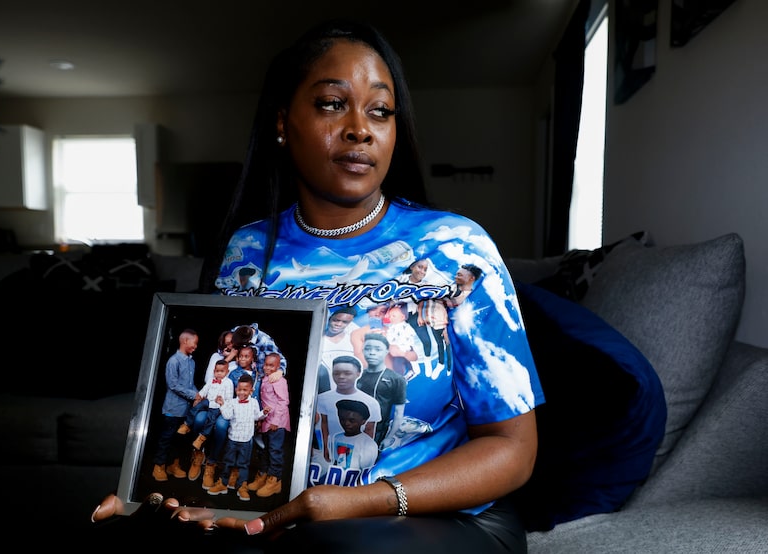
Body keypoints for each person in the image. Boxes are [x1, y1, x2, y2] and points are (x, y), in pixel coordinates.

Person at [90, 19, 543, 553]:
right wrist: (155, 486)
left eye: (380, 110)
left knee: (332, 548)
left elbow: (513, 449)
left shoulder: (453, 247)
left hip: (431, 514)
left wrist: (359, 500)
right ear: (284, 123)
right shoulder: (246, 252)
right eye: (332, 104)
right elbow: (237, 386)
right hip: (277, 512)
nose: (360, 129)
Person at [206, 374, 268, 501]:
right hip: (233, 439)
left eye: (245, 390)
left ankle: (242, 486)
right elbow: (227, 416)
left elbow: (256, 417)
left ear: (251, 391)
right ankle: (223, 484)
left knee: (243, 465)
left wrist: (264, 413)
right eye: (239, 389)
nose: (241, 392)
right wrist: (222, 404)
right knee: (227, 462)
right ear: (236, 390)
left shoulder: (254, 402)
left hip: (246, 440)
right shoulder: (233, 402)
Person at [151, 328, 199, 482]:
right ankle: (159, 466)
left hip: (185, 410)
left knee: (180, 439)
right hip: (173, 408)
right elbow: (173, 385)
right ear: (185, 341)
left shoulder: (191, 362)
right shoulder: (174, 361)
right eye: (195, 343)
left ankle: (174, 464)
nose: (196, 346)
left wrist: (201, 395)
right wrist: (193, 395)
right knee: (167, 438)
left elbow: (191, 385)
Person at [248, 352, 290, 498]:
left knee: (275, 451)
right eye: (266, 364)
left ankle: (275, 481)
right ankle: (263, 475)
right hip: (267, 420)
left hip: (276, 423)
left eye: (271, 365)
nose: (267, 367)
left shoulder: (279, 381)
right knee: (265, 450)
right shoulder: (264, 378)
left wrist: (275, 421)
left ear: (278, 367)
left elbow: (283, 402)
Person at [356, 333, 406, 448]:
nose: (372, 353)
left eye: (378, 349)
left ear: (386, 351)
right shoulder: (357, 375)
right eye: (368, 349)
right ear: (363, 350)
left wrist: (389, 437)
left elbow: (399, 413)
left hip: (378, 432)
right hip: (353, 431)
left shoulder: (396, 379)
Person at [177, 359, 235, 453]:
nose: (219, 373)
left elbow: (229, 398)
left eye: (222, 371)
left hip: (217, 405)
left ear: (227, 372)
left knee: (211, 419)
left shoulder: (228, 383)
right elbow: (204, 390)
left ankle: (202, 437)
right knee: (196, 407)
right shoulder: (211, 380)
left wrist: (223, 405)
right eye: (217, 371)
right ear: (214, 371)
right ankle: (187, 424)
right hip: (208, 401)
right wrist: (199, 397)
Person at [318, 306, 361, 393]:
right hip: (323, 392)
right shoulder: (318, 339)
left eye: (344, 322)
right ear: (329, 318)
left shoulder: (352, 340)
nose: (339, 324)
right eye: (336, 320)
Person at [328, 399, 379, 472]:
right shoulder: (336, 438)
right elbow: (336, 462)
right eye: (342, 419)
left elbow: (365, 473)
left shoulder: (368, 444)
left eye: (352, 421)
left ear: (363, 421)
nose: (346, 423)